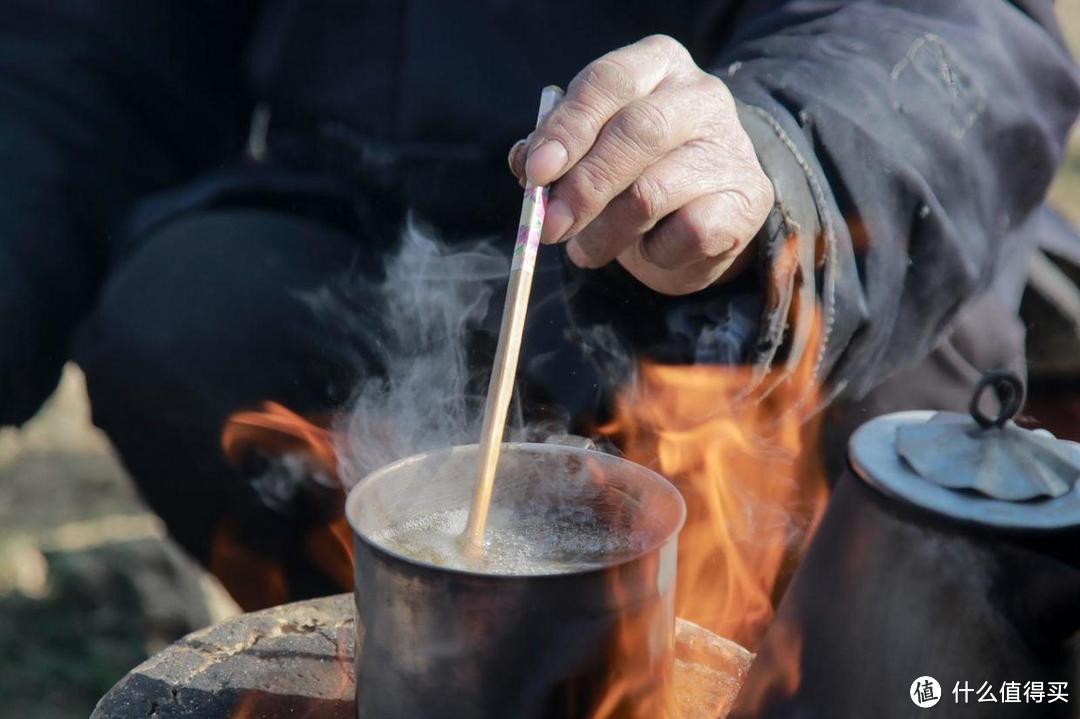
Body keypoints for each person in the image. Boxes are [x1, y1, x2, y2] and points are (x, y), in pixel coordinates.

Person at [0, 1, 1076, 606]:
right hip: (381, 220)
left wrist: (787, 161)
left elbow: (966, 29)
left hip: (780, 257)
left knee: (870, 465)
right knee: (188, 317)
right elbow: (92, 53)